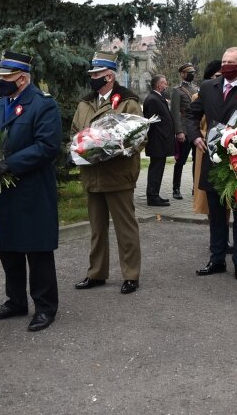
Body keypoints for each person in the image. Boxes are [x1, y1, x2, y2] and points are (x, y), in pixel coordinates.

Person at [0, 51, 62, 332]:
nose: (2, 82)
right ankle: (15, 301)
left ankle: (45, 307)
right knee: (9, 247)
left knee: (37, 249)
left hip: (32, 189)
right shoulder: (0, 104)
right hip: (6, 190)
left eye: (7, 78)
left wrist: (10, 164)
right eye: (1, 77)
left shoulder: (43, 105)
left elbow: (48, 146)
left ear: (22, 78)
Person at [186, 47, 237, 280]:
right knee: (216, 213)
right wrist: (195, 136)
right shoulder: (207, 87)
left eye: (230, 62)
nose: (225, 65)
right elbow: (192, 115)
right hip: (212, 159)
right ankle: (216, 259)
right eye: (223, 61)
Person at [72, 52, 143, 294]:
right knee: (96, 228)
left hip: (118, 174)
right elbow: (74, 132)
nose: (92, 78)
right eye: (91, 74)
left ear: (109, 76)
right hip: (92, 175)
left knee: (125, 228)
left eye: (97, 74)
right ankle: (97, 273)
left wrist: (117, 148)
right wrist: (78, 146)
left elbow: (140, 136)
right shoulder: (85, 103)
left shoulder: (127, 101)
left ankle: (131, 274)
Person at [143, 74, 174, 206]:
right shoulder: (152, 99)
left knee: (158, 168)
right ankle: (152, 196)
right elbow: (152, 123)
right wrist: (164, 135)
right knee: (156, 168)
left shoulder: (158, 98)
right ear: (158, 85)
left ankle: (155, 194)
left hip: (161, 141)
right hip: (157, 141)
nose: (166, 85)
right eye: (164, 83)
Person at [170, 63, 199, 200]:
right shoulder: (177, 90)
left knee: (197, 160)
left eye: (193, 72)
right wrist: (178, 131)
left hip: (196, 130)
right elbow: (175, 112)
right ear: (182, 74)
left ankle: (196, 187)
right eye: (189, 72)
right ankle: (176, 189)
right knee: (180, 161)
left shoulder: (197, 88)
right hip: (184, 130)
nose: (191, 74)